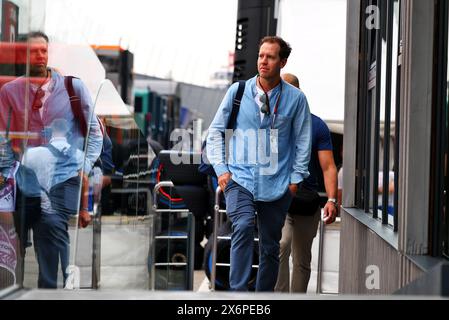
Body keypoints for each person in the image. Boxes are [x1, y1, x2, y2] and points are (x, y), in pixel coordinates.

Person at [206, 36, 312, 291]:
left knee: (270, 246)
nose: (263, 61)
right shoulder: (238, 92)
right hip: (239, 179)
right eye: (261, 55)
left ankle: (262, 298)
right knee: (241, 227)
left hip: (277, 184)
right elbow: (215, 132)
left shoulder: (296, 100)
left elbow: (303, 141)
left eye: (271, 57)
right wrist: (222, 170)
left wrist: (295, 180)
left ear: (282, 62)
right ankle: (238, 295)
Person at [0, 31, 103, 288]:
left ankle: (50, 290)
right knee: (14, 239)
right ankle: (15, 289)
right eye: (34, 50)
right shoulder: (9, 92)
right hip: (24, 177)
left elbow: (94, 132)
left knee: (50, 224)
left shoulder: (72, 88)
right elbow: (2, 135)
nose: (40, 55)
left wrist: (85, 166)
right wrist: (5, 172)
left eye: (44, 50)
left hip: (63, 175)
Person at [274, 73, 338, 293]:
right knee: (281, 246)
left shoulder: (316, 125)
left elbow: (328, 166)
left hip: (305, 201)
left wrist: (331, 199)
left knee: (301, 258)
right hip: (278, 199)